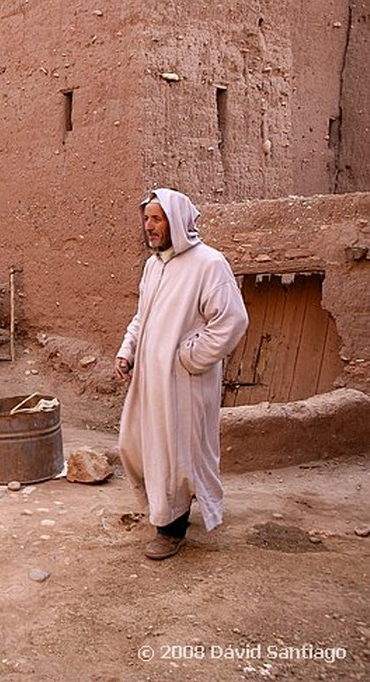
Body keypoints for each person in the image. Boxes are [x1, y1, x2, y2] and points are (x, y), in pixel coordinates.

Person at [115, 188, 249, 560]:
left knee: (175, 453)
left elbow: (232, 321)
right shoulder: (153, 265)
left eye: (156, 219)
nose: (149, 227)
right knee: (136, 444)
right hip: (149, 380)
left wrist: (190, 358)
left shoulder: (209, 264)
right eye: (146, 219)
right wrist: (128, 351)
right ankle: (166, 506)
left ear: (177, 221)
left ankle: (171, 528)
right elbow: (143, 317)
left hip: (184, 383)